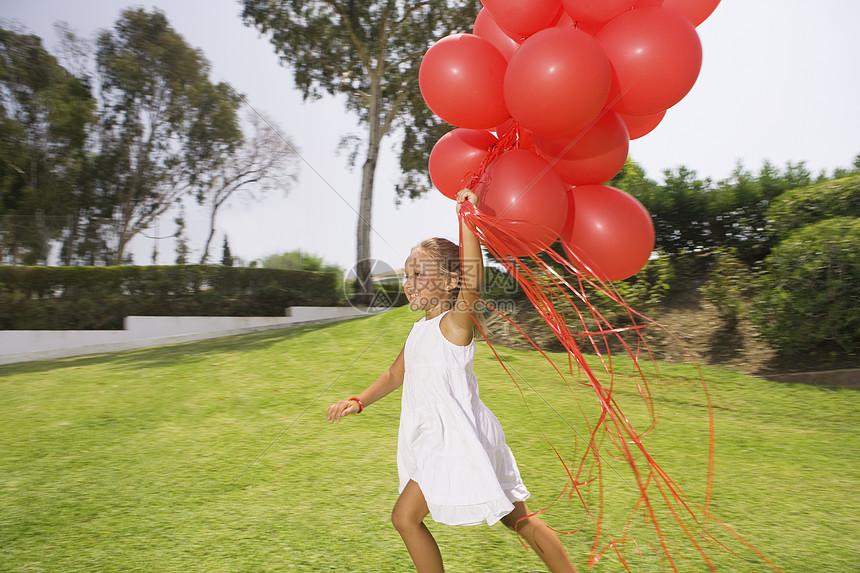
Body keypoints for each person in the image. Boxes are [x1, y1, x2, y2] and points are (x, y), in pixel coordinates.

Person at [327, 189, 577, 573]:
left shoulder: (454, 325)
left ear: (450, 282)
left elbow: (473, 281)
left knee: (405, 518)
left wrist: (466, 218)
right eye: (407, 274)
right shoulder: (419, 331)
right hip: (451, 436)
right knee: (519, 519)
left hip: (455, 438)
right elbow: (396, 373)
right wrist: (359, 400)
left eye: (418, 274)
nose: (408, 282)